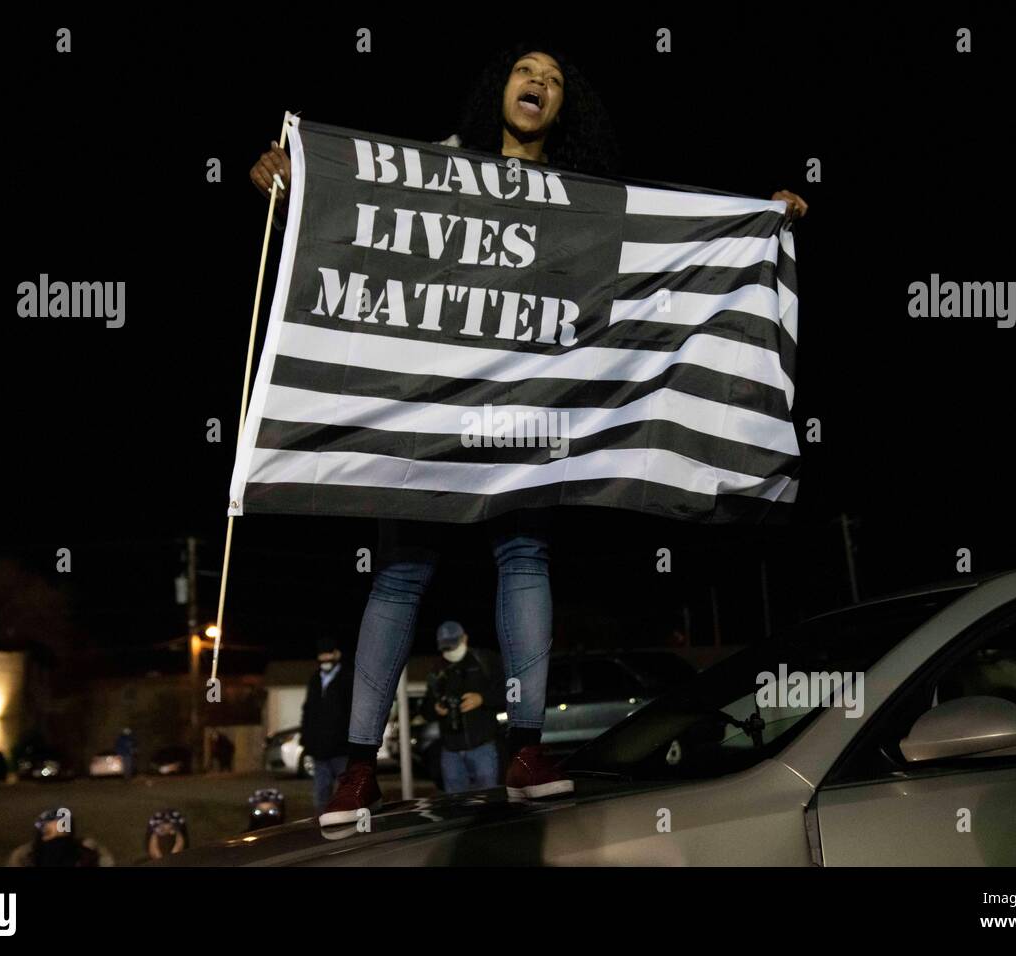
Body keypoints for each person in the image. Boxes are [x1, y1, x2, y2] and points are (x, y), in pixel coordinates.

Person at [250, 42, 807, 828]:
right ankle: (357, 771)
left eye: (552, 79)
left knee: (525, 554)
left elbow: (675, 243)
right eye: (524, 71)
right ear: (499, 90)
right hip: (435, 407)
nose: (538, 83)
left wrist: (762, 221)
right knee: (401, 574)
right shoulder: (440, 166)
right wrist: (293, 174)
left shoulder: (585, 197)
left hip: (530, 409)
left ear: (563, 108)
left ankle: (528, 749)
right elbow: (357, 207)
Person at [423, 621, 507, 793]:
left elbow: (511, 692)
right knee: (455, 808)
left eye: (453, 645)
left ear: (465, 639)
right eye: (446, 648)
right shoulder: (437, 670)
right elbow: (425, 708)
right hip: (451, 752)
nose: (450, 651)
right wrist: (436, 708)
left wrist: (482, 699)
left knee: (489, 802)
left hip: (483, 747)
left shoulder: (486, 660)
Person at [300, 636, 354, 815]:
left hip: (342, 750)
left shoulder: (348, 677)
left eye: (328, 655)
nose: (325, 661)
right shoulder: (315, 680)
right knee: (321, 797)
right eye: (321, 656)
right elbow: (308, 711)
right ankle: (322, 834)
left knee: (348, 794)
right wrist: (307, 742)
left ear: (336, 654)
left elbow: (352, 711)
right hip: (320, 751)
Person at [7, 809, 113, 867]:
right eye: (49, 834)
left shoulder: (90, 854)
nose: (56, 840)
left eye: (61, 834)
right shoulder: (24, 857)